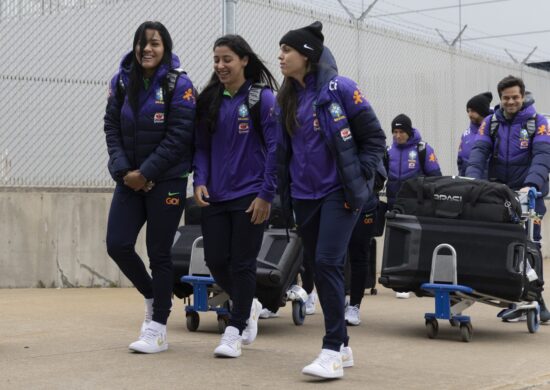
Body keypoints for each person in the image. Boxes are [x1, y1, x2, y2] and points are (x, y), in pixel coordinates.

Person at [277, 21, 386, 379]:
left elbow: (373, 137)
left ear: (306, 55)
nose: (281, 56)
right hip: (303, 196)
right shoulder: (288, 96)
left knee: (326, 262)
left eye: (287, 50)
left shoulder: (341, 88)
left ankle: (332, 350)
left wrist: (362, 177)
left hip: (338, 192)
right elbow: (283, 150)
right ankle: (344, 345)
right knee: (317, 266)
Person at [104, 21, 195, 353]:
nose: (147, 49)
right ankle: (152, 295)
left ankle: (157, 328)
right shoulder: (121, 80)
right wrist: (124, 171)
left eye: (155, 43)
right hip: (129, 179)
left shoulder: (180, 85)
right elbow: (111, 127)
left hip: (166, 181)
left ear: (165, 47)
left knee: (159, 252)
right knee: (118, 244)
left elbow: (180, 136)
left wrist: (147, 172)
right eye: (142, 43)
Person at [193, 34, 280, 358]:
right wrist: (199, 180)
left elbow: (275, 148)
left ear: (244, 60)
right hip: (216, 195)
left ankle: (236, 327)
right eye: (216, 59)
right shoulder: (209, 100)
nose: (220, 66)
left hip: (250, 196)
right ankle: (250, 303)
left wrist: (266, 194)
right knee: (216, 259)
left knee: (242, 263)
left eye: (227, 59)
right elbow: (200, 147)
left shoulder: (263, 99)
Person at [465, 75, 550, 322]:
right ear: (500, 99)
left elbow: (543, 156)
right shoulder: (490, 123)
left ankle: (537, 300)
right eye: (506, 98)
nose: (510, 101)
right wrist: (473, 181)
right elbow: (479, 152)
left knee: (530, 245)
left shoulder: (538, 122)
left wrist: (531, 185)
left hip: (529, 196)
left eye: (515, 97)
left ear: (522, 96)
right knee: (500, 244)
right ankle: (513, 299)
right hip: (499, 195)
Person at [386, 114, 441, 298]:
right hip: (395, 204)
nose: (398, 135)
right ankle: (400, 280)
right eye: (395, 131)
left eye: (401, 131)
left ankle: (420, 280)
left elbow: (436, 176)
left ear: (409, 132)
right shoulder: (388, 151)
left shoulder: (422, 149)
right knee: (398, 243)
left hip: (418, 205)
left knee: (417, 243)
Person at [457, 92, 493, 176]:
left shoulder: (494, 130)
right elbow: (460, 160)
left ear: (482, 111)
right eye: (468, 111)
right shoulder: (466, 135)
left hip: (489, 184)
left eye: (472, 111)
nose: (469, 114)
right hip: (469, 183)